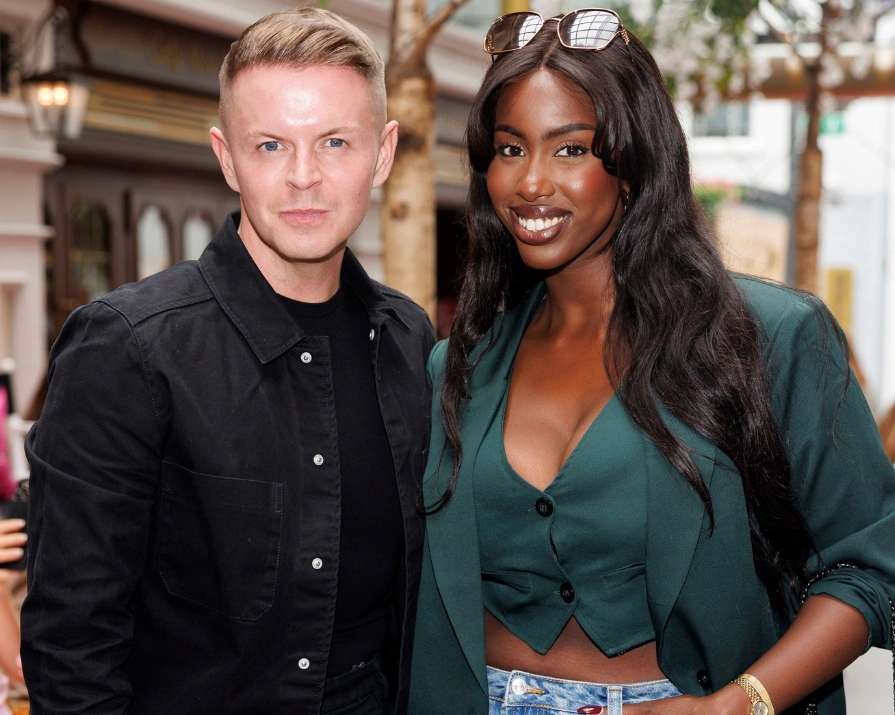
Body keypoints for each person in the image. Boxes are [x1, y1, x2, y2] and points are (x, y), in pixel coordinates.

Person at [409, 10, 895, 715]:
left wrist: (738, 703)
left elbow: (869, 565)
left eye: (569, 150)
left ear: (633, 165)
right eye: (509, 149)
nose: (530, 182)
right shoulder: (454, 367)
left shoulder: (770, 337)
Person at [22, 8, 434, 714]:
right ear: (226, 158)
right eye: (271, 145)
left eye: (334, 142)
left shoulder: (406, 339)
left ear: (384, 153)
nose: (304, 177)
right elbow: (71, 645)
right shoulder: (126, 347)